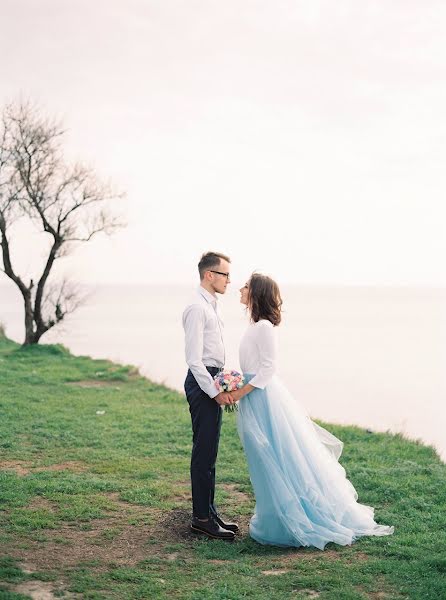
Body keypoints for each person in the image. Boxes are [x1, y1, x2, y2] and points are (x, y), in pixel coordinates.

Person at [229, 273, 394, 549]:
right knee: (262, 458)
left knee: (277, 456)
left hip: (263, 399)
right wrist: (236, 381)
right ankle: (274, 516)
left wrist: (241, 390)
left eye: (245, 286)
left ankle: (294, 519)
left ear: (256, 292)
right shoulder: (255, 326)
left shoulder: (265, 327)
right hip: (252, 397)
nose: (240, 289)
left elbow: (269, 368)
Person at [182, 251, 239, 541]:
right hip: (202, 383)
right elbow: (194, 359)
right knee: (203, 453)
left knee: (211, 453)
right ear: (209, 275)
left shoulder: (212, 306)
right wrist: (216, 391)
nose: (230, 280)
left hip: (212, 380)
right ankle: (201, 519)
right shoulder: (197, 308)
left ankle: (210, 512)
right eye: (225, 274)